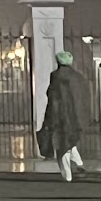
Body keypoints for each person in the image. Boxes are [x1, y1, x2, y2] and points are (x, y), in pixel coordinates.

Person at [42, 50, 89, 182]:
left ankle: (67, 174)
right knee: (70, 140)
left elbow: (53, 99)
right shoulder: (78, 77)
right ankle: (78, 163)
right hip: (76, 117)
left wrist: (49, 119)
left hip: (60, 116)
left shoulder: (56, 76)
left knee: (61, 146)